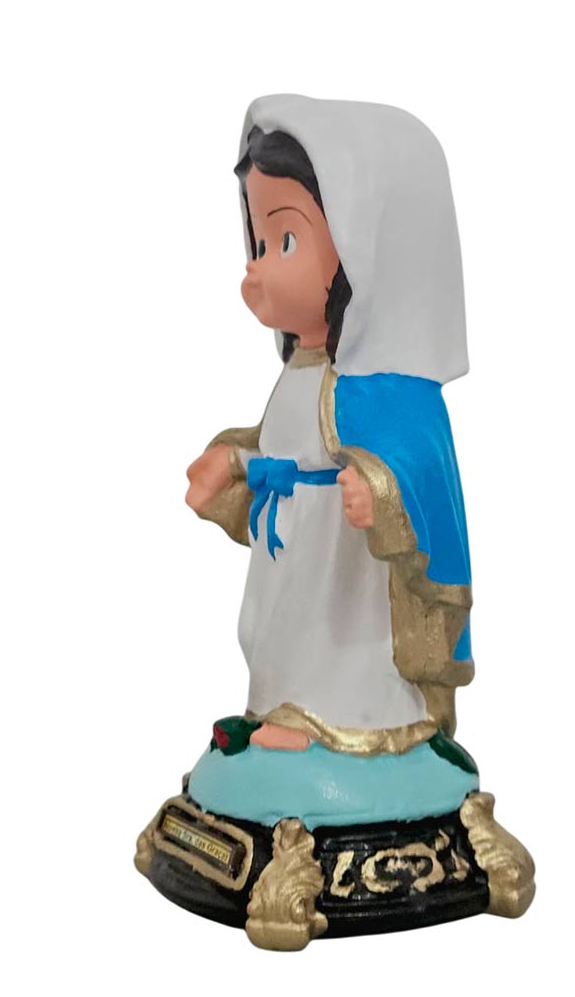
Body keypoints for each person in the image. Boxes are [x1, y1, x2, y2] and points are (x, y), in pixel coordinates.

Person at [185, 95, 474, 776]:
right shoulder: (303, 371)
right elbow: (282, 446)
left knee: (337, 636)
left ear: (367, 252)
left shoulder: (390, 393)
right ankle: (285, 711)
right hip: (294, 548)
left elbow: (418, 471)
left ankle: (347, 721)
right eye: (259, 243)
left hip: (347, 569)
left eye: (285, 242)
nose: (258, 267)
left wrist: (381, 493)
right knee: (282, 630)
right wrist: (234, 463)